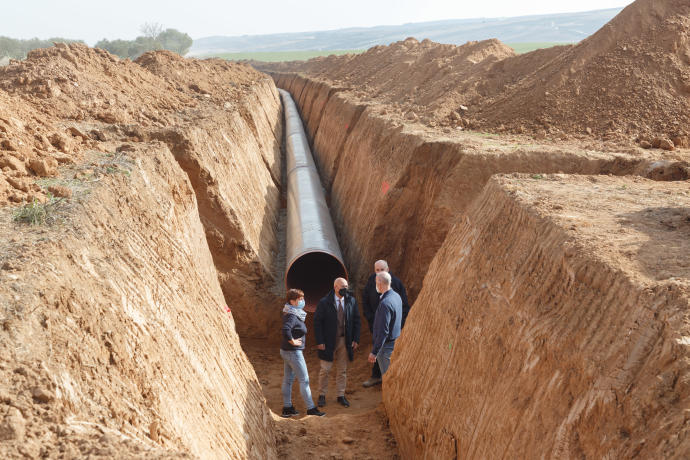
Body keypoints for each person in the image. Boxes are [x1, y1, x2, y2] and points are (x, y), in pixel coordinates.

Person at [313, 277, 361, 407]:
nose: (345, 289)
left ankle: (341, 395)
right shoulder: (324, 302)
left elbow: (357, 320)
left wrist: (356, 338)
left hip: (345, 341)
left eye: (346, 286)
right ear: (335, 287)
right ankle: (322, 395)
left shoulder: (351, 300)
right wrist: (320, 340)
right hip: (328, 341)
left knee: (342, 370)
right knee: (325, 369)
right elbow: (317, 322)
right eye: (342, 287)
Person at [361, 260, 409, 387]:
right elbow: (365, 300)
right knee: (380, 352)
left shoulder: (396, 284)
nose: (379, 272)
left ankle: (389, 384)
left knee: (384, 355)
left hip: (390, 331)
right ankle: (376, 377)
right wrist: (372, 319)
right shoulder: (371, 282)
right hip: (377, 326)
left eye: (382, 269)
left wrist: (399, 325)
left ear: (388, 269)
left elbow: (404, 307)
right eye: (377, 270)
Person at [280, 289, 325, 417]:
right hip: (293, 353)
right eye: (300, 299)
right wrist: (293, 341)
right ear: (292, 301)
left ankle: (287, 408)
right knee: (304, 380)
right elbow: (285, 330)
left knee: (288, 380)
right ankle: (311, 409)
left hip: (286, 351)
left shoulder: (290, 311)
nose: (302, 301)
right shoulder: (292, 315)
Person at [368, 271, 402, 377]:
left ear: (380, 283)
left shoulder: (385, 304)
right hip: (395, 343)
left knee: (388, 380)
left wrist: (374, 352)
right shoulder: (396, 296)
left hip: (385, 349)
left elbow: (383, 332)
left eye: (376, 283)